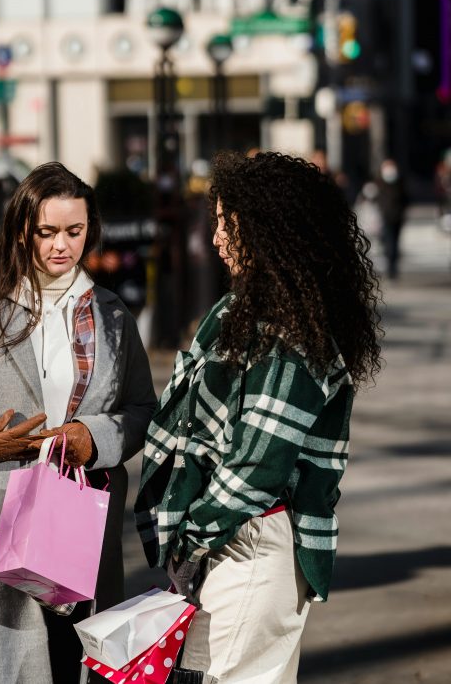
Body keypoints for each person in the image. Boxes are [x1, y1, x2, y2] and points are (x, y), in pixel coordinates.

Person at [0, 161, 156, 684]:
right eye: (47, 232)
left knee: (78, 664)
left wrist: (95, 437)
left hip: (83, 525)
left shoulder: (112, 317)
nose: (61, 245)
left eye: (74, 231)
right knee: (2, 669)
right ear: (21, 232)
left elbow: (141, 410)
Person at [135, 151, 382, 683]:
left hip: (249, 542)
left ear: (269, 228)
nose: (217, 237)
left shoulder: (292, 331)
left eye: (229, 223)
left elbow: (259, 464)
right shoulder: (243, 312)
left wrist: (193, 531)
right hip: (228, 543)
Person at [376, 158, 408, 279]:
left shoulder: (400, 182)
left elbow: (405, 198)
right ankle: (390, 267)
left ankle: (393, 266)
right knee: (388, 242)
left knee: (395, 242)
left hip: (397, 216)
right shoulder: (379, 182)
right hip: (385, 217)